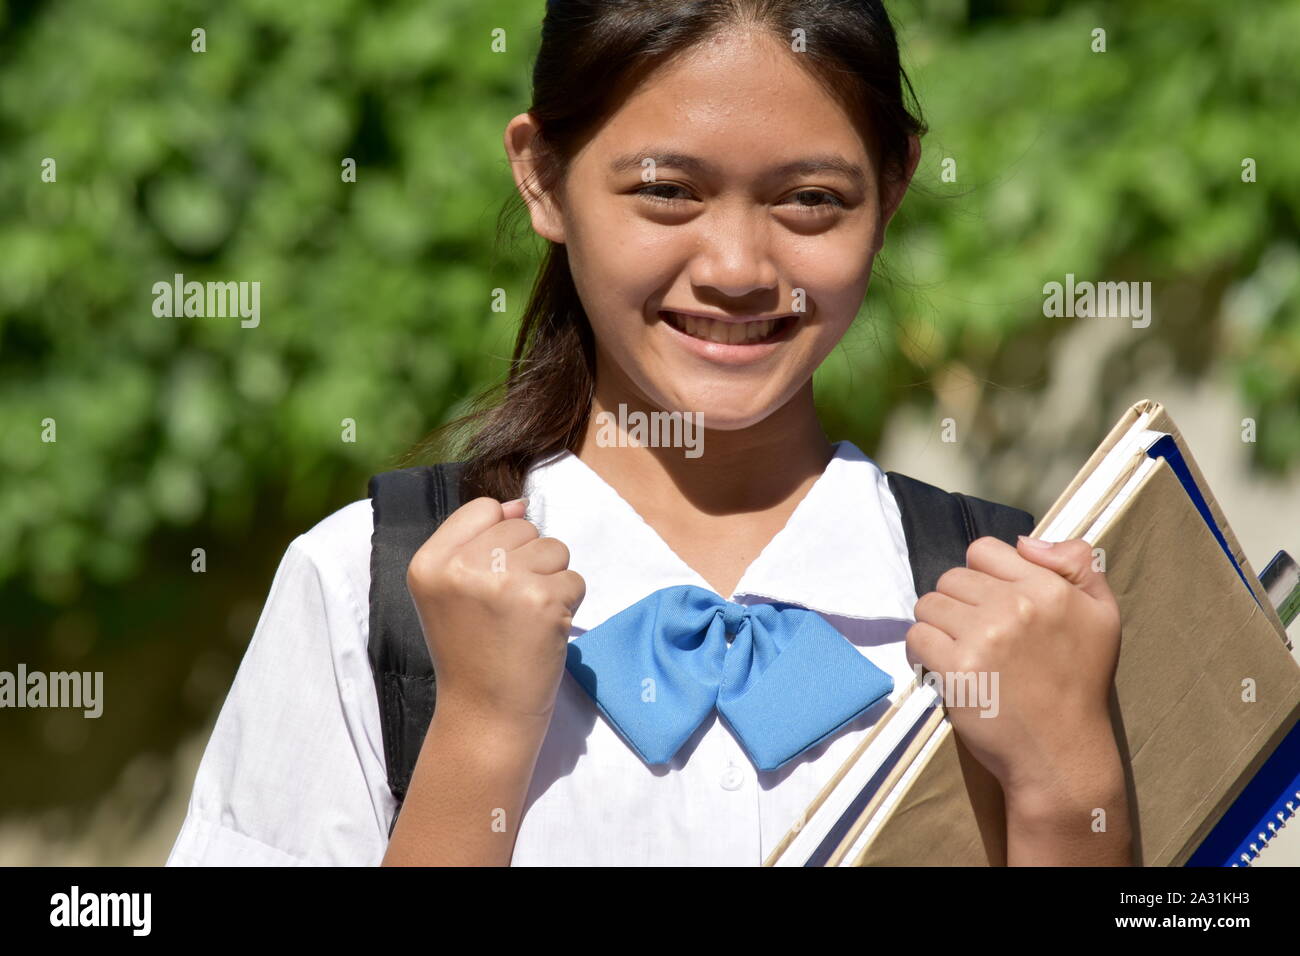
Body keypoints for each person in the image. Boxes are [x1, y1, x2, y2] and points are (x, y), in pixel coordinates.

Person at [167, 0, 1132, 867]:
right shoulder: (363, 591)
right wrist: (476, 738)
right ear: (543, 178)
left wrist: (1069, 795)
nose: (739, 266)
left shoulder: (1031, 616)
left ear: (894, 189)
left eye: (810, 200)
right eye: (668, 190)